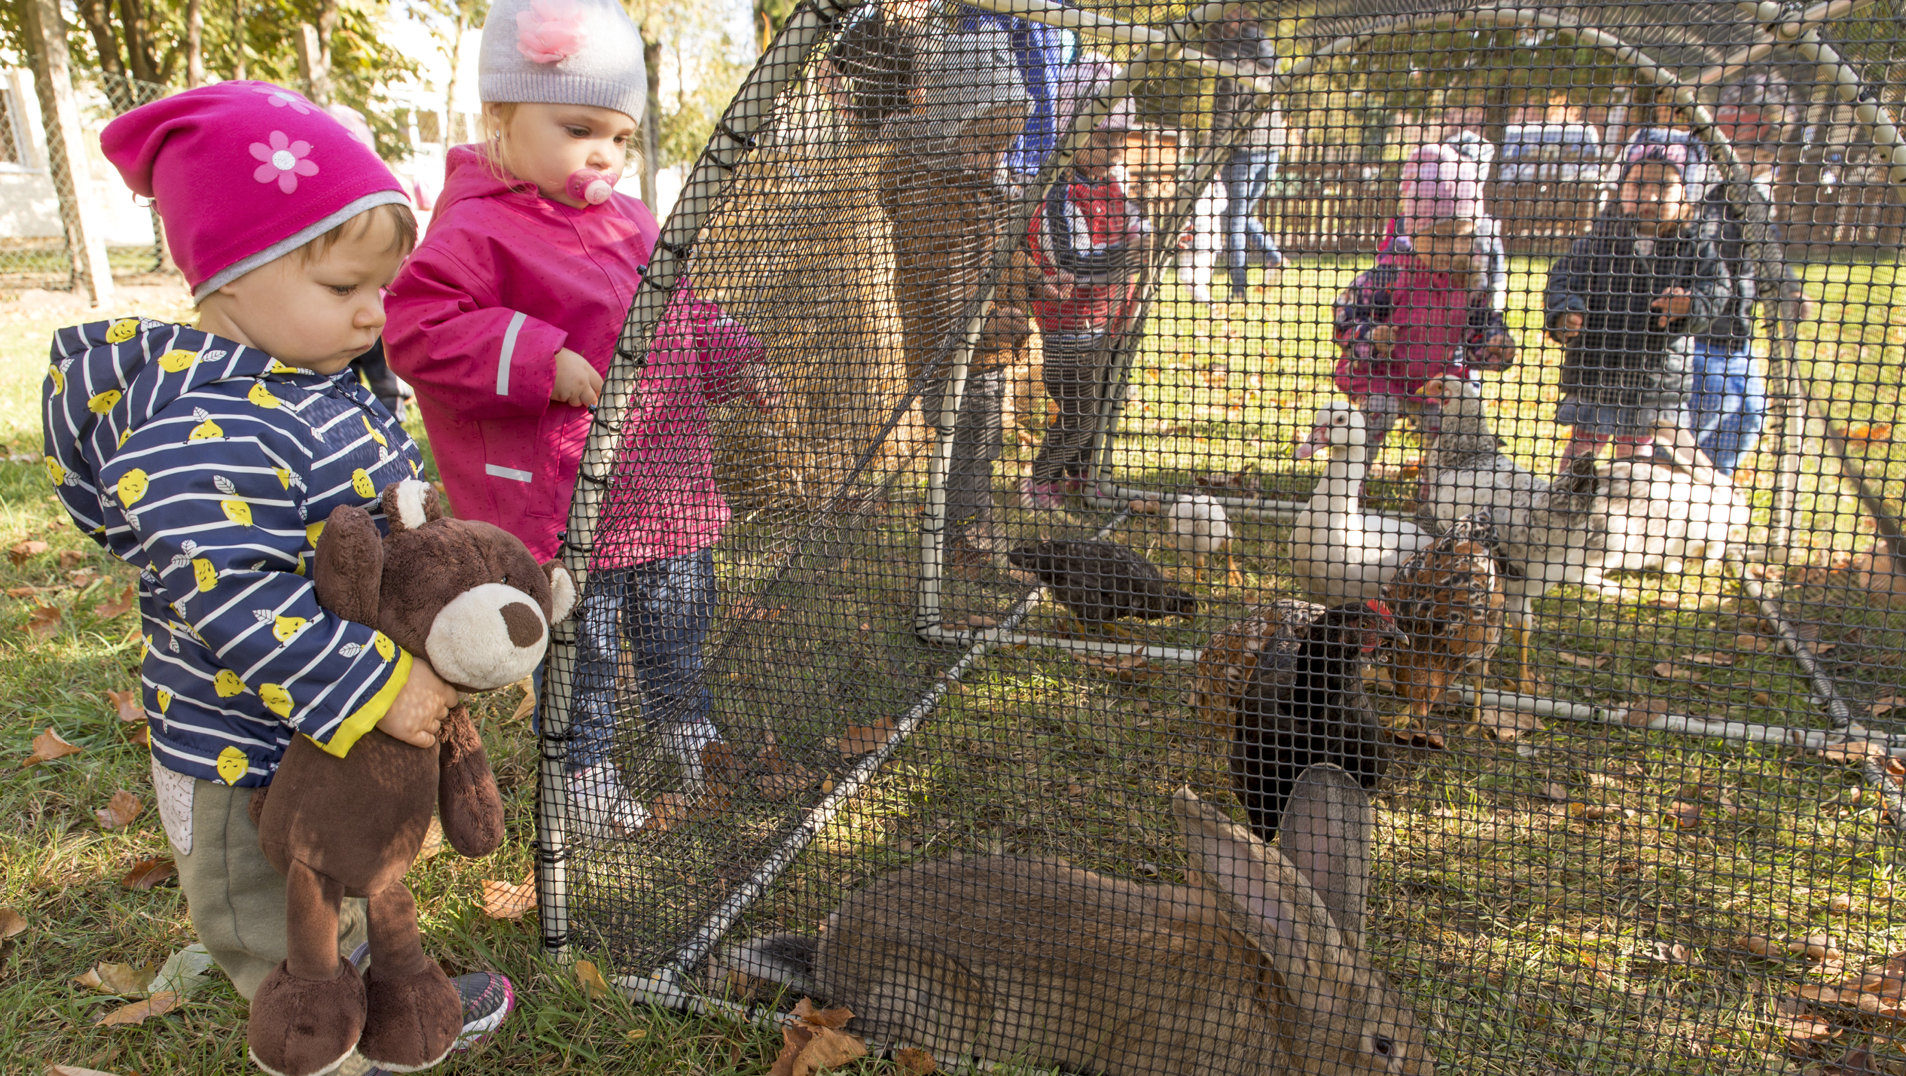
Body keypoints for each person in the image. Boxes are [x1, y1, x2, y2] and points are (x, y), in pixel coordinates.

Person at [43, 81, 512, 1063]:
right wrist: (383, 682)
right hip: (239, 755)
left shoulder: (324, 386)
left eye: (379, 287)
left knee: (346, 873)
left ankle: (388, 997)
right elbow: (237, 596)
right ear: (226, 280)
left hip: (325, 750)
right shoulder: (198, 430)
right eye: (343, 289)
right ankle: (315, 1034)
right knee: (274, 927)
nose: (370, 313)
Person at [382, 0, 777, 840]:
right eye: (577, 128)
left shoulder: (630, 219)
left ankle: (683, 721)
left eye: (620, 137)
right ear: (500, 118)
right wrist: (535, 358)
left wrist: (732, 355)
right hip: (570, 498)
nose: (603, 153)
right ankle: (583, 768)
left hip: (664, 481)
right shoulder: (478, 228)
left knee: (679, 614)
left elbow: (673, 311)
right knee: (586, 645)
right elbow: (420, 330)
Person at [871, 19, 1035, 570]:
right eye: (987, 142)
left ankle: (966, 536)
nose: (997, 158)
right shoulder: (931, 193)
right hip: (949, 351)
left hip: (983, 347)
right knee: (960, 445)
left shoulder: (985, 183)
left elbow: (1005, 256)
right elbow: (946, 289)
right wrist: (990, 326)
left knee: (980, 444)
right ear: (952, 123)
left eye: (1006, 146)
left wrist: (1036, 281)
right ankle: (954, 545)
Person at [1545, 129, 1731, 471]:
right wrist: (1565, 313)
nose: (1649, 195)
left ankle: (1628, 511)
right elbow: (1563, 278)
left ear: (1686, 193)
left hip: (1654, 375)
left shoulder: (1694, 246)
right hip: (1597, 369)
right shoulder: (1599, 240)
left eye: (1663, 186)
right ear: (1621, 190)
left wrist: (1690, 304)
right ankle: (1565, 501)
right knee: (1583, 445)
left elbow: (1717, 289)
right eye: (1638, 185)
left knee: (1635, 456)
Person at [1333, 142, 1515, 452]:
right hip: (1382, 374)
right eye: (1443, 236)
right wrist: (1371, 336)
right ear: (1416, 234)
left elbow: (1479, 330)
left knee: (1450, 425)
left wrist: (1493, 343)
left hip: (1434, 376)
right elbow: (1344, 317)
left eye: (1465, 236)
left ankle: (1439, 492)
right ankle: (1349, 481)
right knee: (1377, 412)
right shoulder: (1390, 276)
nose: (1456, 246)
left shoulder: (1469, 283)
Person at [1018, 109, 1150, 509]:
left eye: (1119, 141)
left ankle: (1082, 475)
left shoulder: (1109, 186)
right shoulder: (1058, 193)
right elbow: (1071, 262)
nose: (1113, 151)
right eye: (1103, 140)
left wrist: (1147, 237)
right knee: (1080, 413)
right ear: (1073, 136)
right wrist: (1129, 256)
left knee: (1108, 398)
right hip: (1069, 328)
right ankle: (1040, 481)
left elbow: (1134, 224)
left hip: (1107, 319)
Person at [1689, 73, 1796, 477]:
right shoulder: (1701, 183)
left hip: (1738, 332)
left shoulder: (1755, 193)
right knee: (1708, 406)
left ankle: (1712, 492)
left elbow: (1766, 251)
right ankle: (1661, 488)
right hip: (1697, 329)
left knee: (1749, 415)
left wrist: (1788, 289)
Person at [1206, 3, 1286, 296]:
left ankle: (1238, 288)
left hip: (1243, 149)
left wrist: (1213, 153)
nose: (1226, 20)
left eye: (1230, 14)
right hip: (1272, 147)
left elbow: (1225, 109)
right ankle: (1273, 255)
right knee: (1241, 214)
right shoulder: (1270, 60)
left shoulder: (1232, 59)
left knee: (1234, 219)